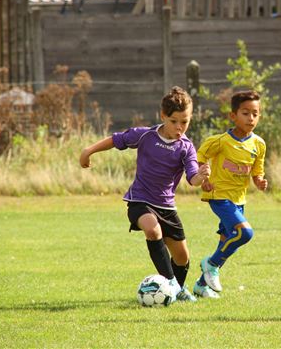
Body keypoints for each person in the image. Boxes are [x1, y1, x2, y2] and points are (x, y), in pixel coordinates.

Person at [79, 86, 210, 303]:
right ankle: (174, 287)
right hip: (140, 201)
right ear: (163, 116)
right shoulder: (146, 135)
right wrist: (88, 151)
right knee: (152, 229)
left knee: (182, 257)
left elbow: (192, 177)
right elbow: (116, 139)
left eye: (184, 122)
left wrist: (202, 177)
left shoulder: (186, 147)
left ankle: (175, 291)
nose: (179, 127)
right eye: (174, 121)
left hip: (167, 206)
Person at [193, 90, 268, 298]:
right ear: (233, 116)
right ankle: (210, 263)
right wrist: (204, 179)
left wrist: (260, 181)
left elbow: (257, 171)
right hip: (218, 196)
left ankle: (201, 286)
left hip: (239, 200)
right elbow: (200, 157)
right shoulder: (220, 141)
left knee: (226, 244)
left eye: (255, 113)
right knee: (245, 233)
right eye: (245, 113)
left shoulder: (259, 144)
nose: (251, 118)